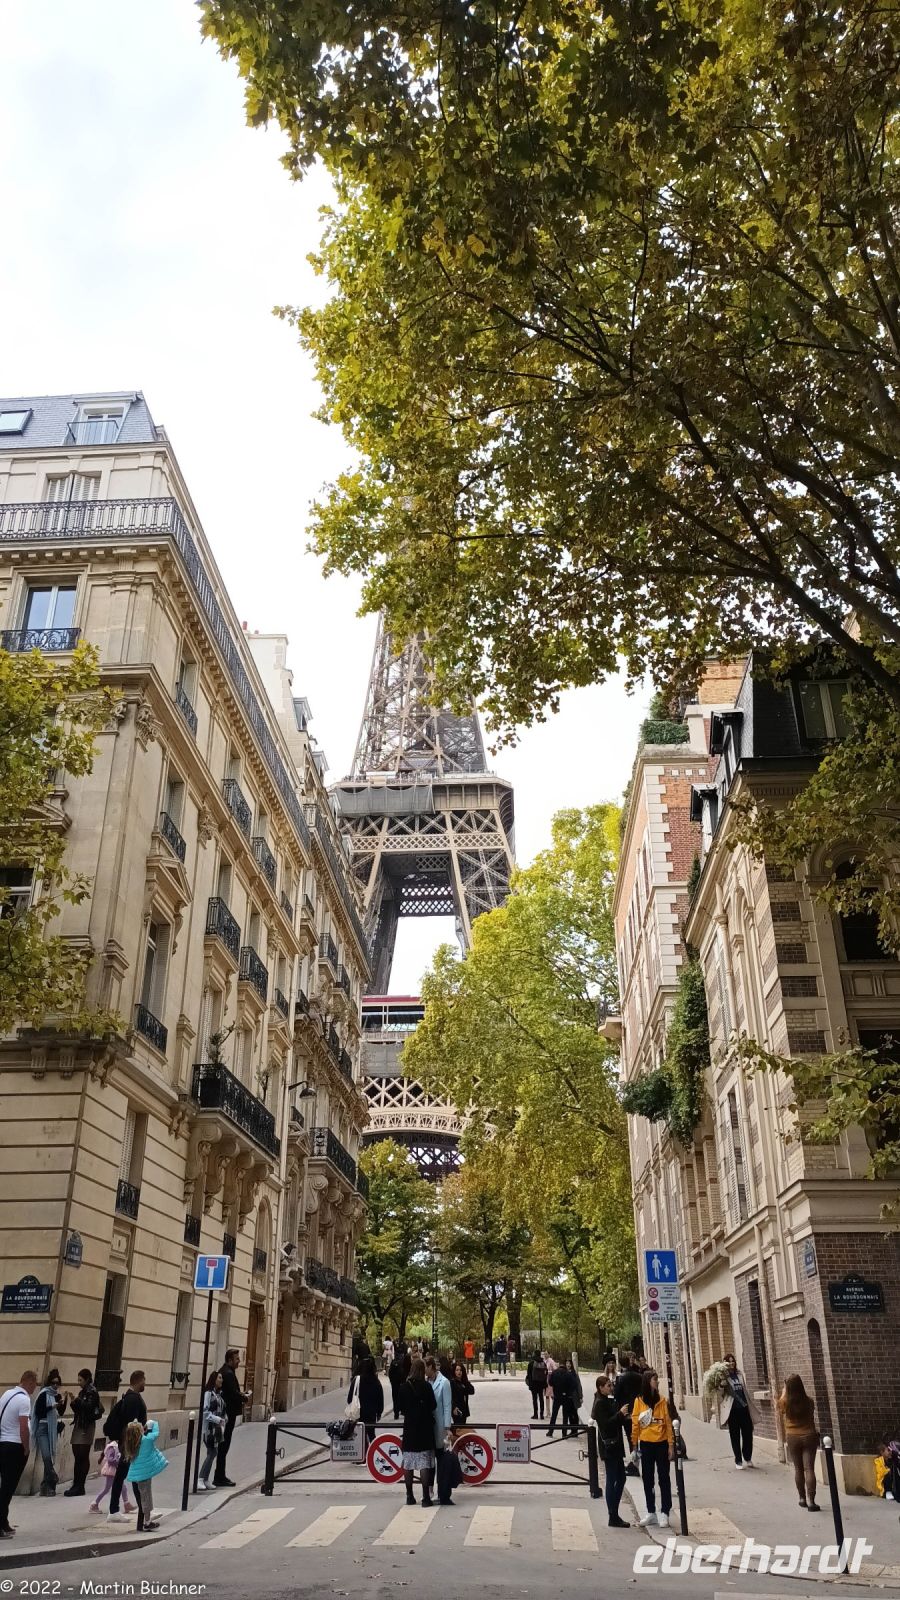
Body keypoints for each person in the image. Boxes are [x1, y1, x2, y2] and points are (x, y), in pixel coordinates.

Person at [631, 1369, 674, 1529]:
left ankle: (665, 1512)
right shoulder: (639, 1401)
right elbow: (635, 1425)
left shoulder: (662, 1401)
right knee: (648, 1478)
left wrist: (671, 1445)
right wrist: (634, 1445)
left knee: (664, 1478)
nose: (658, 1382)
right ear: (648, 1381)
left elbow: (668, 1424)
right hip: (646, 1444)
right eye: (655, 1379)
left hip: (661, 1443)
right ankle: (651, 1511)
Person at [104, 1370, 147, 1520]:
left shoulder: (129, 1397)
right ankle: (142, 1512)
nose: (145, 1383)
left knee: (125, 1476)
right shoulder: (133, 1399)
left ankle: (116, 1510)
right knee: (134, 1476)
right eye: (144, 1380)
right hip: (129, 1444)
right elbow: (132, 1424)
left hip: (127, 1443)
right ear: (138, 1381)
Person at [0, 1370, 37, 1539]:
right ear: (28, 1382)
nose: (34, 1387)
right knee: (7, 1488)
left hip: (2, 1442)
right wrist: (26, 1447)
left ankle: (4, 1522)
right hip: (14, 1446)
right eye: (34, 1384)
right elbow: (23, 1426)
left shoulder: (7, 1394)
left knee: (5, 1487)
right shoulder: (24, 1400)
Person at [592, 1374, 631, 1528]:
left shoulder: (607, 1400)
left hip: (615, 1445)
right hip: (609, 1446)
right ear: (601, 1388)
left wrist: (623, 1416)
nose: (611, 1387)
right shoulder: (600, 1403)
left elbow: (615, 1420)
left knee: (621, 1478)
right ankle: (612, 1514)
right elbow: (606, 1425)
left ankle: (614, 1512)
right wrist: (620, 1414)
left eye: (610, 1385)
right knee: (612, 1478)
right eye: (608, 1385)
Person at [398, 1356, 437, 1506]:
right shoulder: (427, 1386)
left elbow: (400, 1408)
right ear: (422, 1371)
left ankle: (409, 1496)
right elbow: (433, 1405)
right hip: (424, 1428)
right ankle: (426, 1497)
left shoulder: (403, 1387)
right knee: (424, 1463)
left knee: (408, 1463)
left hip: (409, 1428)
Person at [777, 1375, 820, 1512]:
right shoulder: (809, 1402)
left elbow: (779, 1407)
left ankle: (802, 1498)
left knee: (798, 1469)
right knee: (809, 1469)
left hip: (793, 1437)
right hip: (809, 1435)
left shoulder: (785, 1403)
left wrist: (785, 1390)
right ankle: (812, 1501)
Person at [214, 1348, 249, 1488]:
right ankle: (219, 1476)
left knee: (223, 1446)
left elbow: (232, 1392)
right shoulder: (227, 1373)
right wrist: (243, 1397)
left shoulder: (226, 1371)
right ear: (229, 1360)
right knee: (223, 1446)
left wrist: (241, 1395)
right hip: (227, 1414)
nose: (239, 1361)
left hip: (226, 1414)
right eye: (236, 1359)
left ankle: (220, 1475)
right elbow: (232, 1394)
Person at [65, 1368, 104, 1497]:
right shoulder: (83, 1392)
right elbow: (78, 1410)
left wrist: (78, 1400)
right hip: (79, 1424)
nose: (78, 1382)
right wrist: (73, 1401)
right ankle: (76, 1484)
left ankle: (80, 1485)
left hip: (86, 1426)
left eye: (80, 1380)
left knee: (82, 1454)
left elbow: (88, 1408)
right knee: (77, 1454)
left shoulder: (92, 1392)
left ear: (87, 1379)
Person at [125, 1418, 168, 1532]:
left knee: (140, 1500)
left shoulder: (131, 1443)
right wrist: (153, 1423)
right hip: (144, 1476)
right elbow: (155, 1433)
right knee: (146, 1499)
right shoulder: (146, 1441)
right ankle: (147, 1522)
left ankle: (141, 1523)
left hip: (135, 1476)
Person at [30, 1369, 68, 1496]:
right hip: (42, 1428)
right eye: (53, 1383)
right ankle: (53, 1476)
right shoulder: (44, 1394)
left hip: (52, 1428)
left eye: (58, 1383)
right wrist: (52, 1406)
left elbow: (61, 1412)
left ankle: (47, 1487)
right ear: (49, 1383)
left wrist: (65, 1400)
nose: (55, 1385)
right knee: (46, 1456)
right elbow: (38, 1412)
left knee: (50, 1457)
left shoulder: (56, 1395)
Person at [425, 1355, 454, 1505]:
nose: (424, 1370)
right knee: (429, 1461)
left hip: (441, 1427)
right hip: (428, 1427)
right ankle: (429, 1489)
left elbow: (447, 1405)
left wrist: (447, 1427)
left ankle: (441, 1490)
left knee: (441, 1460)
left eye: (426, 1367)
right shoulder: (426, 1381)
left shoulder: (445, 1383)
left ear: (431, 1367)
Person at [721, 1353, 755, 1470]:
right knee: (735, 1436)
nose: (731, 1363)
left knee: (748, 1433)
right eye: (729, 1361)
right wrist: (721, 1385)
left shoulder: (739, 1374)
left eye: (732, 1361)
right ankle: (738, 1460)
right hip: (732, 1411)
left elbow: (744, 1390)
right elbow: (720, 1394)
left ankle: (748, 1457)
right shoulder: (723, 1377)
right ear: (725, 1363)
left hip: (744, 1408)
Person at [614, 1355, 644, 1476]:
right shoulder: (639, 1377)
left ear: (621, 1364)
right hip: (639, 1410)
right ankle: (635, 1462)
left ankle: (634, 1463)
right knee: (636, 1437)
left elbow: (617, 1395)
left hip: (627, 1412)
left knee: (631, 1438)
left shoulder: (621, 1378)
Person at [89, 1439, 136, 1515]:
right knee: (107, 1489)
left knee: (122, 1488)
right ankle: (94, 1504)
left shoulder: (115, 1446)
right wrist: (118, 1462)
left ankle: (127, 1504)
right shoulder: (112, 1447)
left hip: (114, 1470)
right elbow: (110, 1460)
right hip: (111, 1471)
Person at [199, 1372, 227, 1489]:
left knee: (213, 1452)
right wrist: (218, 1419)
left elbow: (221, 1409)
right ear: (214, 1379)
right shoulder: (208, 1394)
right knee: (212, 1452)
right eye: (219, 1378)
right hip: (209, 1428)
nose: (221, 1380)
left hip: (217, 1428)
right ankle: (200, 1478)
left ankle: (205, 1479)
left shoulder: (218, 1394)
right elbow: (205, 1412)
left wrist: (224, 1419)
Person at [354, 1356, 385, 1447]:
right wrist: (379, 1413)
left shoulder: (357, 1381)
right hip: (371, 1413)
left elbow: (349, 1398)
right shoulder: (376, 1382)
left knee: (360, 1435)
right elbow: (380, 1399)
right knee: (371, 1435)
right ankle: (374, 1454)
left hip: (359, 1413)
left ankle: (361, 1457)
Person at [547, 1359, 576, 1438]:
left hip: (557, 1396)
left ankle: (550, 1431)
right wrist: (568, 1392)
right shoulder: (568, 1374)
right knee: (565, 1416)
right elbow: (574, 1385)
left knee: (554, 1414)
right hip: (566, 1397)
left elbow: (550, 1382)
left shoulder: (555, 1372)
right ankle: (564, 1433)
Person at [450, 1361, 474, 1427]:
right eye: (457, 1370)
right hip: (457, 1410)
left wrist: (465, 1382)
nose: (459, 1372)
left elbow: (472, 1391)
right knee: (458, 1428)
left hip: (464, 1409)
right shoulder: (452, 1382)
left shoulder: (464, 1382)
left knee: (463, 1427)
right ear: (454, 1371)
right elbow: (450, 1397)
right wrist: (453, 1407)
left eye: (460, 1370)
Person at [526, 1351, 548, 1419]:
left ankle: (535, 1414)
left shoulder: (531, 1363)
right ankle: (541, 1414)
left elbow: (528, 1374)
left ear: (534, 1354)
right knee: (541, 1398)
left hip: (534, 1384)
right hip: (541, 1384)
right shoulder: (543, 1363)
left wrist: (529, 1383)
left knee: (534, 1399)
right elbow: (546, 1373)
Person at [566, 1359, 583, 1437]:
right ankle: (572, 1430)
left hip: (574, 1396)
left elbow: (578, 1385)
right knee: (569, 1413)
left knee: (574, 1413)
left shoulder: (574, 1373)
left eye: (569, 1363)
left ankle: (575, 1430)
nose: (568, 1365)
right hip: (567, 1396)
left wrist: (580, 1396)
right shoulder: (565, 1373)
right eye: (567, 1363)